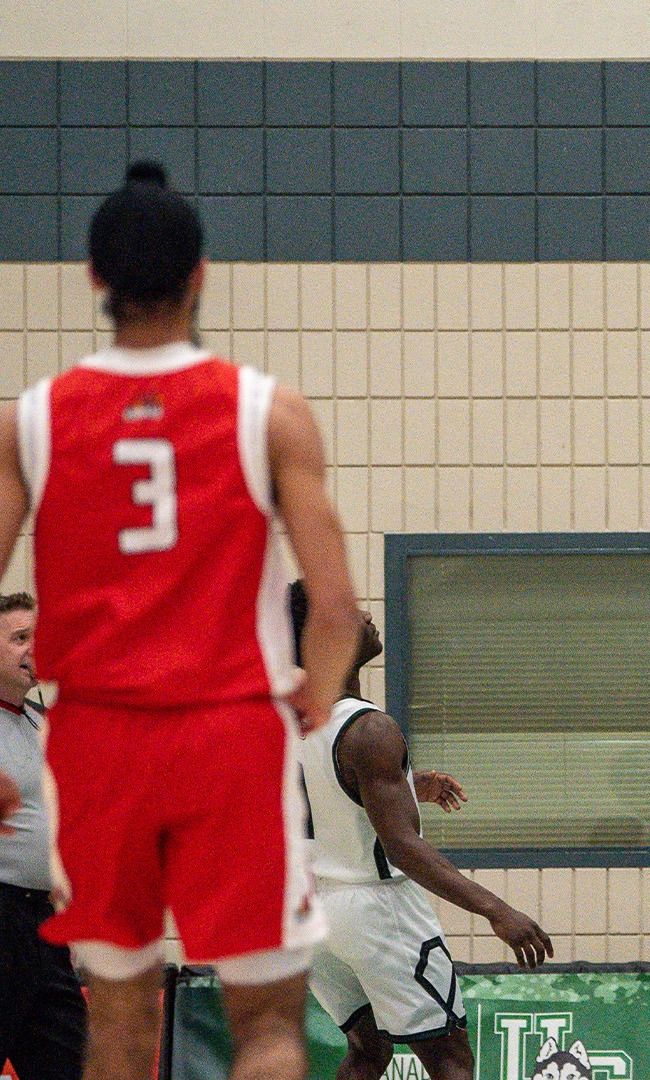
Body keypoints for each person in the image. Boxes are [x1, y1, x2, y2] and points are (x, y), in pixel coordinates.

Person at [0, 161, 363, 1080]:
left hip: (97, 743)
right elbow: (335, 609)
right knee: (268, 1027)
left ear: (94, 277)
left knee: (119, 1025)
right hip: (228, 733)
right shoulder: (269, 412)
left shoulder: (29, 423)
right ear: (200, 275)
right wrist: (316, 700)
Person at [290, 583, 552, 1080]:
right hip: (376, 911)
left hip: (311, 912)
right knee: (451, 1059)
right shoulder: (369, 729)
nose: (368, 616)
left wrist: (407, 785)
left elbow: (326, 795)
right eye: (352, 612)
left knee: (368, 1054)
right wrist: (496, 910)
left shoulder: (290, 721)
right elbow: (403, 849)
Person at [0, 594, 87, 1080]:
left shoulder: (43, 722)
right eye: (20, 638)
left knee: (70, 1064)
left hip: (45, 922)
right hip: (2, 913)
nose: (34, 648)